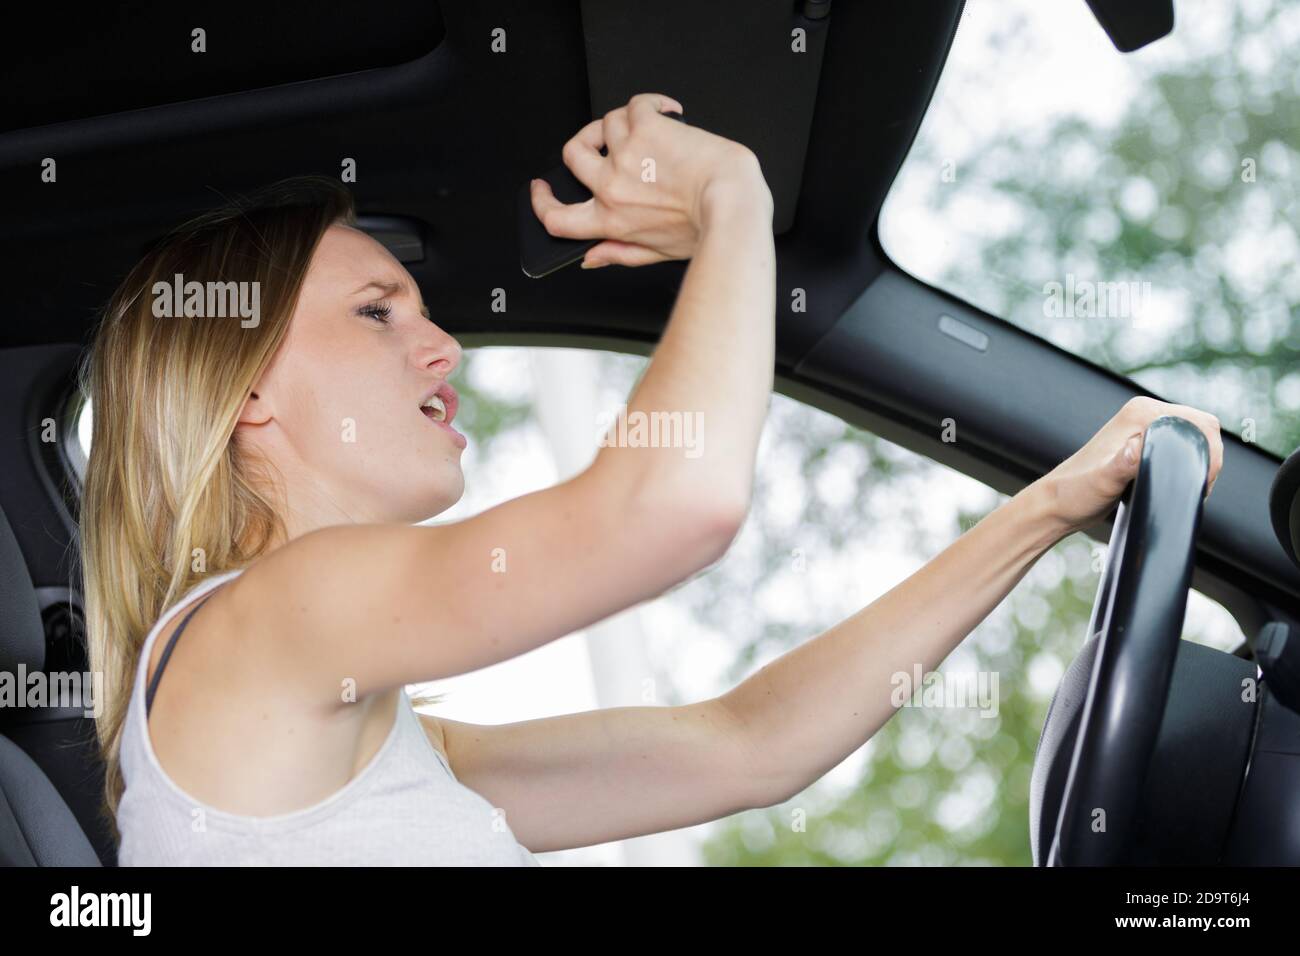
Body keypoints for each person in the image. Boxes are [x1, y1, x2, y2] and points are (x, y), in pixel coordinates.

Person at [83, 92, 1222, 865]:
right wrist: (730, 202)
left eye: (425, 314)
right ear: (245, 392)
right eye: (378, 313)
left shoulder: (376, 737)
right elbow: (672, 503)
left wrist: (1043, 507)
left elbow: (751, 742)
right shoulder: (268, 618)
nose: (445, 349)